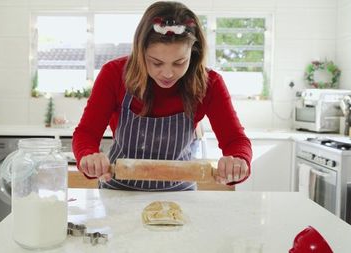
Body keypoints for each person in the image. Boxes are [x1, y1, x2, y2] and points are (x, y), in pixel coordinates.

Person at [72, 1, 252, 191]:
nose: (167, 73)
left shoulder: (210, 84)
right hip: (118, 192)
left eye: (179, 62)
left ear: (194, 52)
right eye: (156, 63)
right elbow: (86, 133)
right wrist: (88, 155)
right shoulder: (114, 75)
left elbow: (235, 141)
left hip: (180, 195)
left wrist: (238, 162)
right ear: (141, 52)